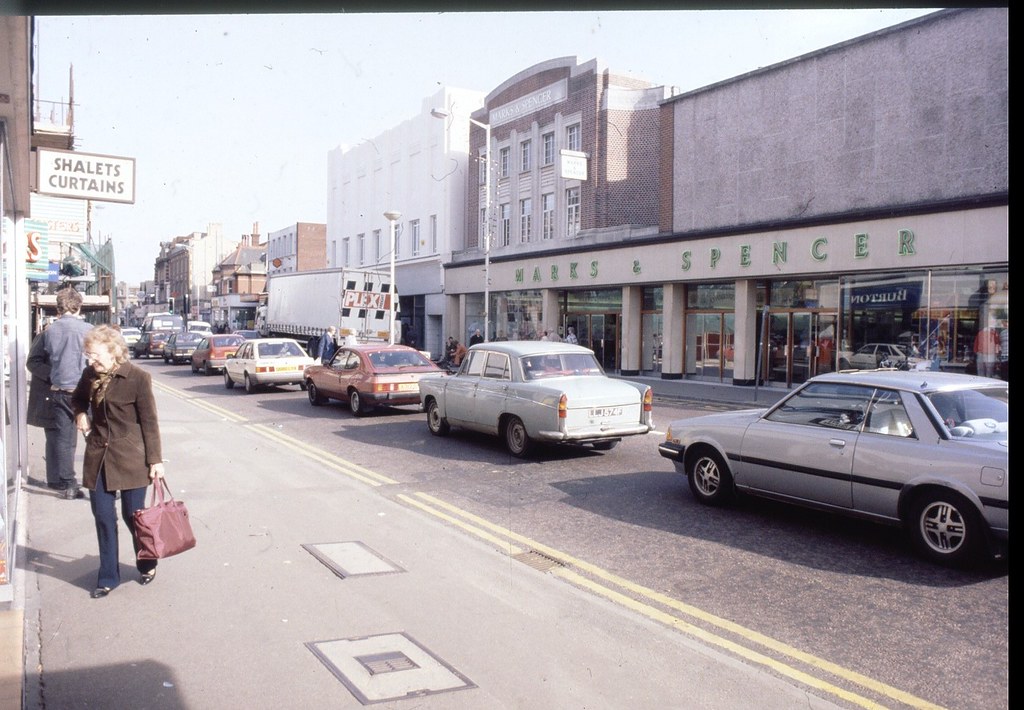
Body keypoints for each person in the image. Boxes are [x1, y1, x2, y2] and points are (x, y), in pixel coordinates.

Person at [73, 325, 165, 599]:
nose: (91, 361)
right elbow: (77, 399)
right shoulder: (90, 375)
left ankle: (147, 561)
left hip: (132, 458)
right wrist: (79, 414)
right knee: (102, 516)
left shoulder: (138, 378)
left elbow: (149, 422)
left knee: (133, 516)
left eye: (96, 356)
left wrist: (155, 460)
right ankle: (108, 576)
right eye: (88, 356)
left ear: (114, 351)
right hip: (98, 456)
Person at [33, 287, 93, 499]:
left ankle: (69, 485)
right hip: (86, 393)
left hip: (60, 392)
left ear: (58, 308)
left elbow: (35, 361)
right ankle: (101, 483)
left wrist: (54, 375)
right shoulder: (90, 329)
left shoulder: (49, 332)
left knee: (64, 441)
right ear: (79, 306)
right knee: (95, 437)